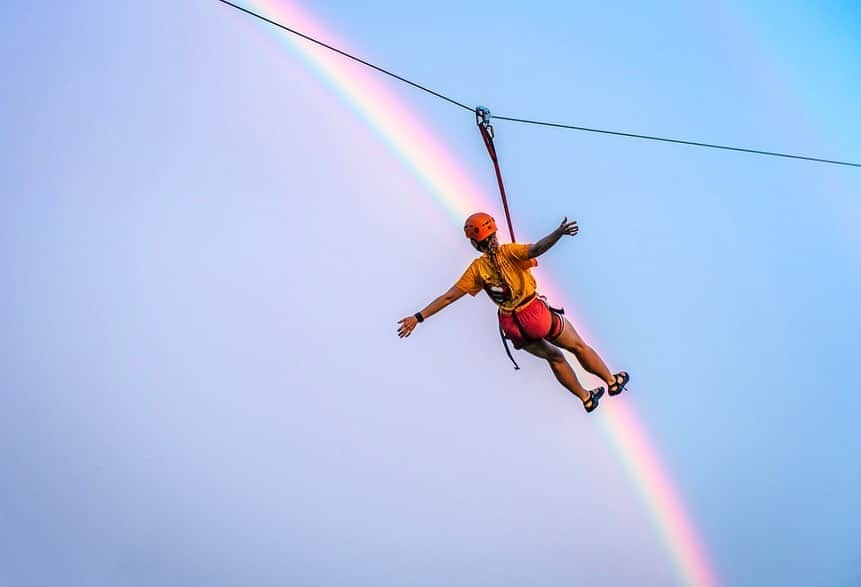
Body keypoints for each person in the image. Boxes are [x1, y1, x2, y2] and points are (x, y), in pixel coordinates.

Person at [397, 212, 628, 413]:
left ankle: (585, 398)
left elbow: (449, 296)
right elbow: (537, 248)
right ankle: (611, 381)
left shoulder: (477, 270)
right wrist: (558, 233)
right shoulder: (510, 252)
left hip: (513, 326)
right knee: (577, 346)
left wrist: (418, 318)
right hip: (535, 314)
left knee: (555, 358)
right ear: (495, 234)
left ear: (475, 244)